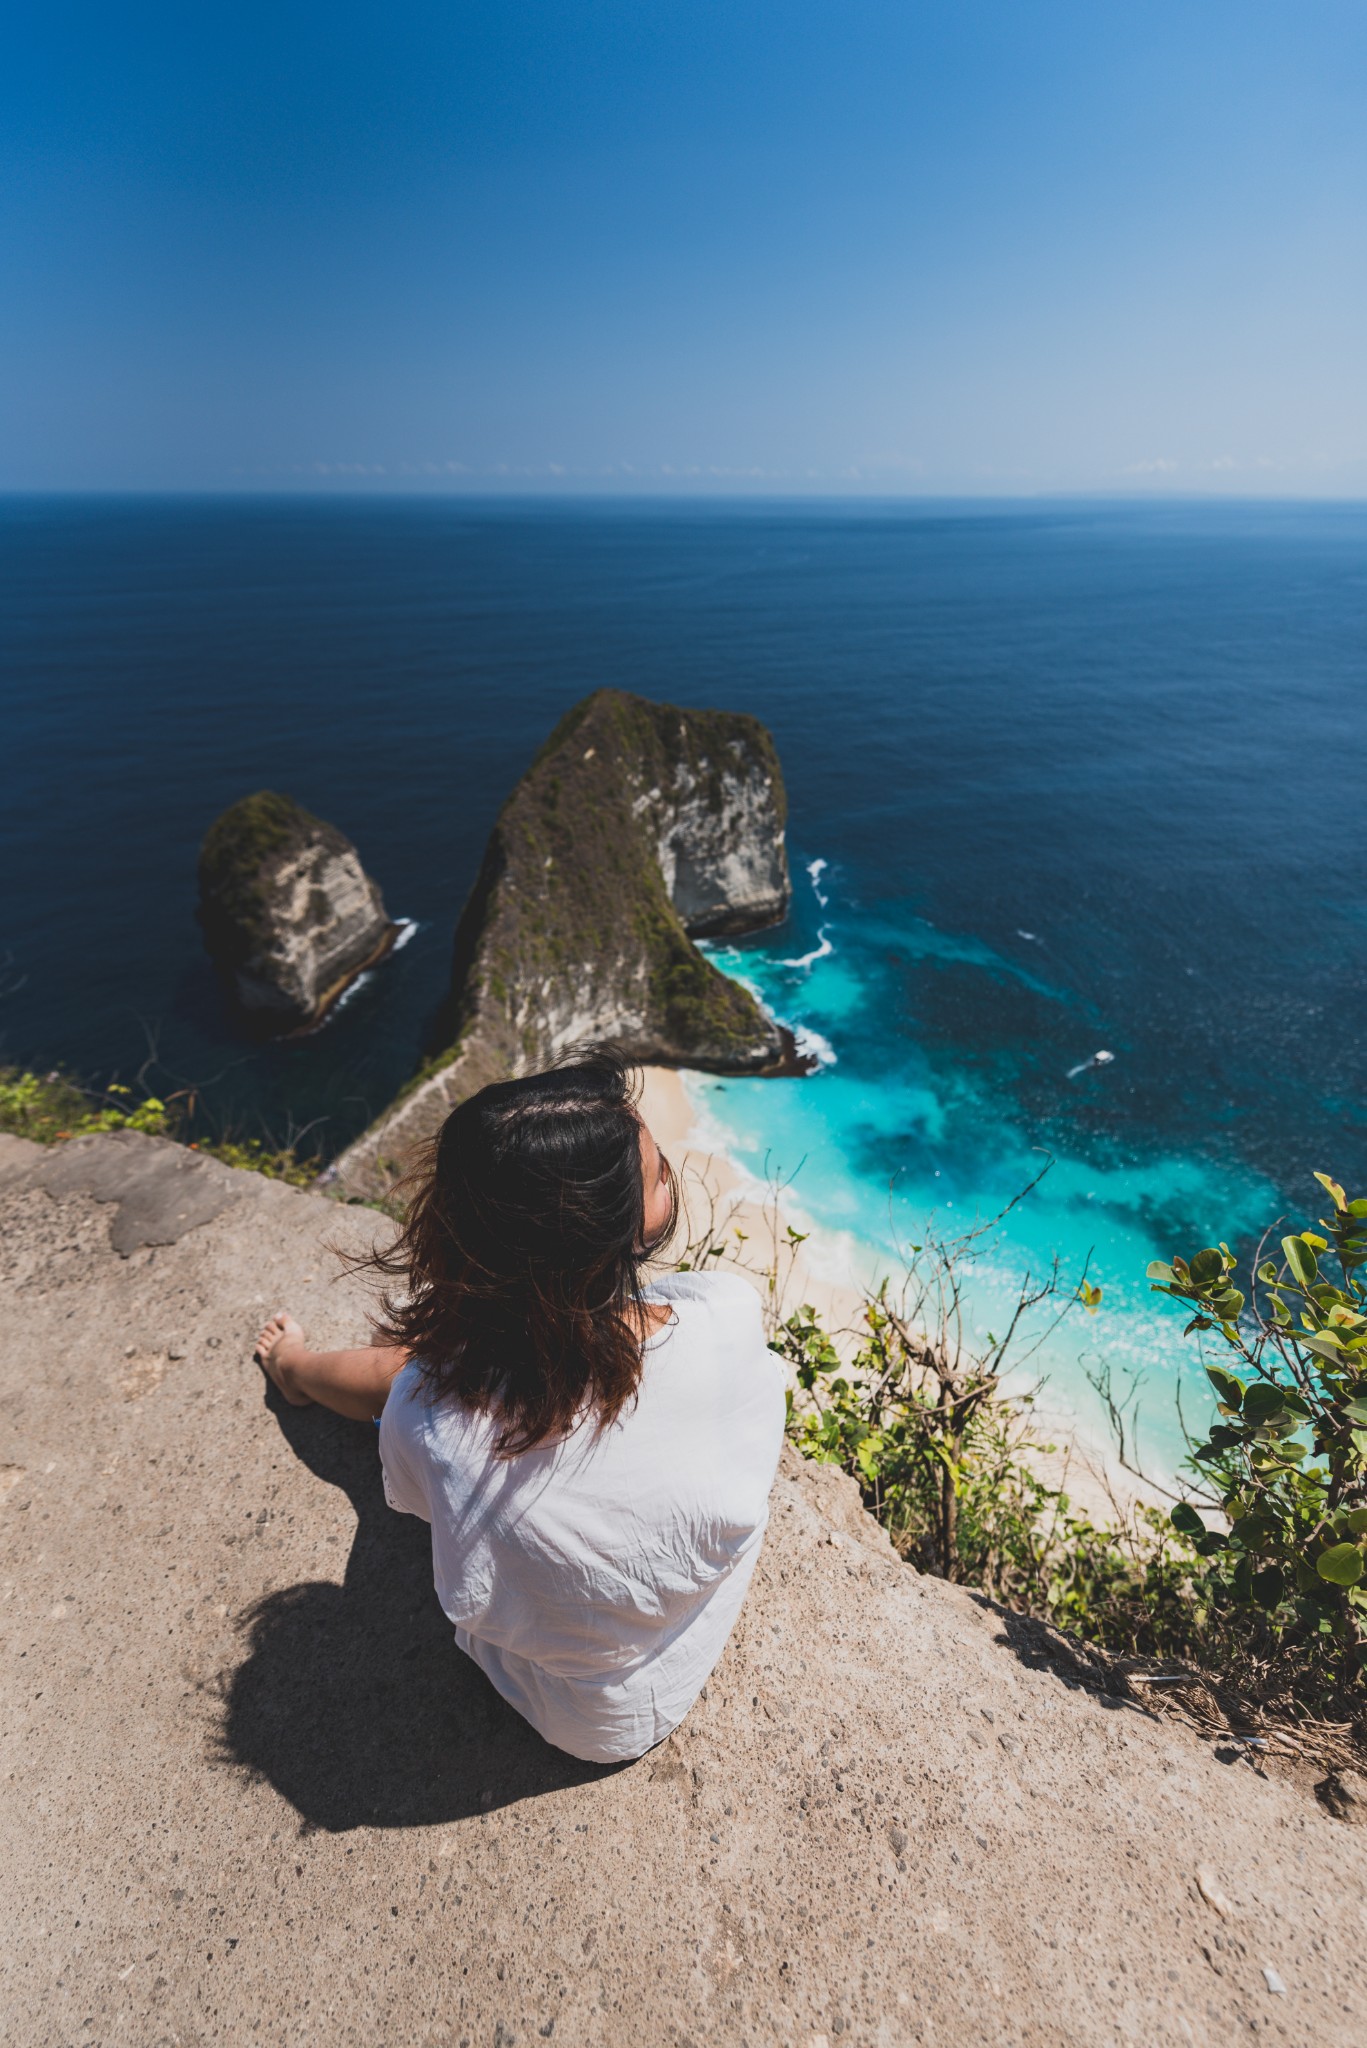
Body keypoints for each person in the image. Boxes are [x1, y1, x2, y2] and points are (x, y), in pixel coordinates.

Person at [254, 1049, 785, 1764]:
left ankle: (295, 1370)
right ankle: (341, 1363)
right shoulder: (725, 1312)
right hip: (686, 1635)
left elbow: (419, 1505)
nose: (669, 1176)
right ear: (625, 1232)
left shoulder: (432, 1420)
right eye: (656, 1175)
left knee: (416, 1375)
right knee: (430, 1371)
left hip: (577, 1713)